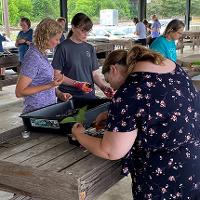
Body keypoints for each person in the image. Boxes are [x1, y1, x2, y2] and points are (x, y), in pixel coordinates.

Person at [72, 45, 200, 199]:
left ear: (113, 69)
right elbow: (161, 110)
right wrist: (113, 116)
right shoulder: (173, 69)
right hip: (192, 165)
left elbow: (111, 151)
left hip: (161, 180)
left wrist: (79, 135)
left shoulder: (130, 91)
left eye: (108, 80)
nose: (112, 87)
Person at [52, 13, 114, 102]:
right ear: (73, 27)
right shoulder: (62, 47)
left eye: (87, 31)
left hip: (89, 96)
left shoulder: (90, 48)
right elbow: (56, 75)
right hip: (68, 97)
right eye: (82, 30)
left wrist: (103, 87)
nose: (86, 34)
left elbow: (95, 74)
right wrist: (77, 84)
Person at [16, 18, 72, 113]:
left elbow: (40, 82)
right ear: (46, 37)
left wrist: (59, 94)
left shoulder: (41, 53)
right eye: (57, 39)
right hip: (36, 112)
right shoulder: (33, 57)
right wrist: (50, 85)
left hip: (46, 109)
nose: (58, 42)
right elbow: (20, 91)